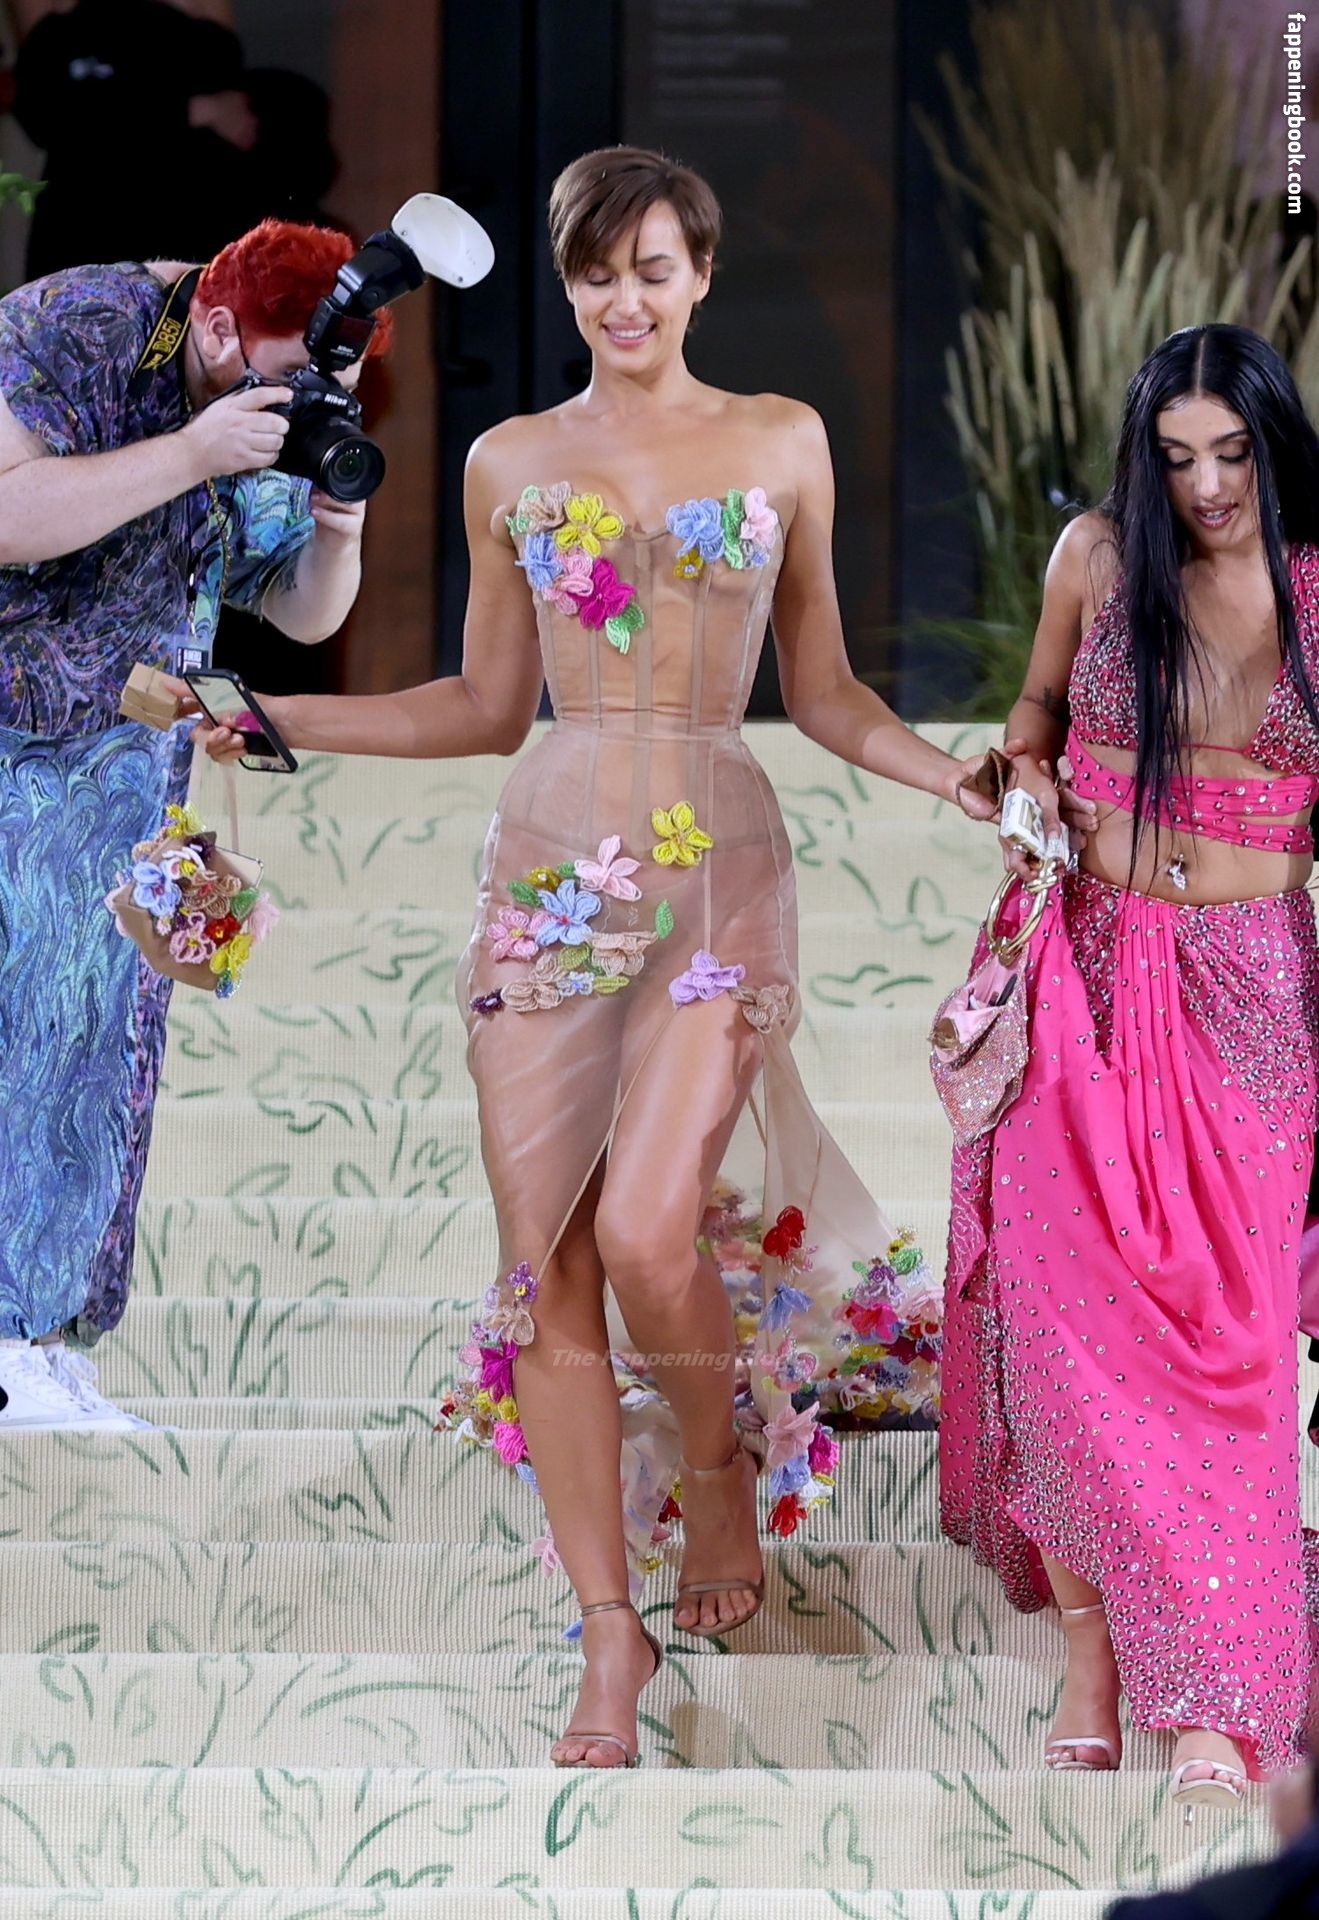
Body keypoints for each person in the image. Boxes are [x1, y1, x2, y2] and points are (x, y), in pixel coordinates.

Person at [192, 142, 1008, 1769]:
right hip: (546, 877)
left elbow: (824, 689)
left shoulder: (779, 437)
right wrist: (284, 717)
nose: (621, 299)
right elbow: (482, 706)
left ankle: (713, 1469)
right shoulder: (506, 458)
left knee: (646, 1228)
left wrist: (952, 776)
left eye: (650, 269)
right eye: (592, 272)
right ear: (565, 285)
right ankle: (607, 1632)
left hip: (715, 863)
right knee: (546, 1262)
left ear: (699, 275)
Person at [940, 322, 1319, 1810]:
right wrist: (1021, 775)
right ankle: (1093, 1656)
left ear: (1274, 447)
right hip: (1083, 974)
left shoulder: (1315, 586)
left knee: (1227, 1345)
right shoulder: (1097, 559)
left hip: (1249, 994)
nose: (1205, 487)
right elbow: (1035, 718)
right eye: (1174, 458)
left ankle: (1217, 1692)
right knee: (1064, 1328)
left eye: (1231, 454)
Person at [0, 217, 386, 1427]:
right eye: (288, 374)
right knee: (26, 1023)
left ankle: (47, 1335)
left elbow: (302, 612)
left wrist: (338, 525)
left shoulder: (279, 393)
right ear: (218, 326)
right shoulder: (77, 322)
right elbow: (7, 514)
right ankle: (12, 1333)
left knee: (102, 1053)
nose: (301, 400)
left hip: (136, 759)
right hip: (13, 736)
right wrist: (190, 452)